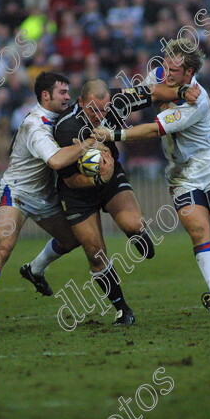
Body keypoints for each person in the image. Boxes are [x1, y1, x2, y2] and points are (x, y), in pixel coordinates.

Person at [94, 38, 210, 315]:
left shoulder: (198, 100)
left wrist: (115, 135)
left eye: (175, 71)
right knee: (199, 231)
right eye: (165, 66)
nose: (167, 72)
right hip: (180, 172)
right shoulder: (163, 75)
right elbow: (139, 95)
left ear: (189, 72)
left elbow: (154, 130)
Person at [47, 78, 199, 326]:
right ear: (80, 102)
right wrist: (99, 178)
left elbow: (152, 92)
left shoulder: (117, 100)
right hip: (77, 191)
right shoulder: (66, 128)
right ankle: (122, 309)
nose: (100, 115)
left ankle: (139, 233)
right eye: (93, 109)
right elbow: (72, 180)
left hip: (110, 176)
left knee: (133, 225)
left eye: (104, 109)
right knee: (96, 255)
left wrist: (181, 90)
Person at [0, 72, 103, 335]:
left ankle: (34, 269)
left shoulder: (64, 116)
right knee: (4, 247)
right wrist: (89, 144)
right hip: (17, 192)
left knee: (72, 240)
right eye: (62, 92)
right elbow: (54, 161)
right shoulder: (34, 125)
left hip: (44, 196)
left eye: (68, 92)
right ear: (45, 95)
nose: (68, 96)